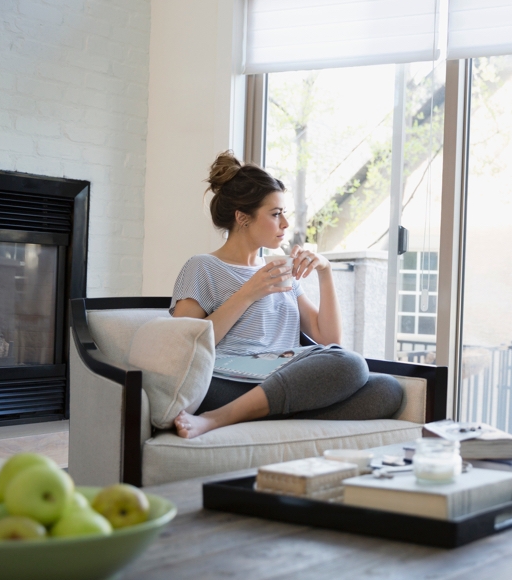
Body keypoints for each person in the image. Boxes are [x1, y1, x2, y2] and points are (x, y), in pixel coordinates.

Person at [170, 151, 403, 439]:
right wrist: (247, 294)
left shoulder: (278, 269)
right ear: (242, 217)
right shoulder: (202, 267)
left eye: (284, 214)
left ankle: (260, 413)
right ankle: (220, 417)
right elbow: (182, 348)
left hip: (281, 377)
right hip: (227, 382)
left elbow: (329, 340)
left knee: (386, 390)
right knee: (352, 364)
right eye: (275, 214)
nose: (285, 224)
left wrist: (325, 272)